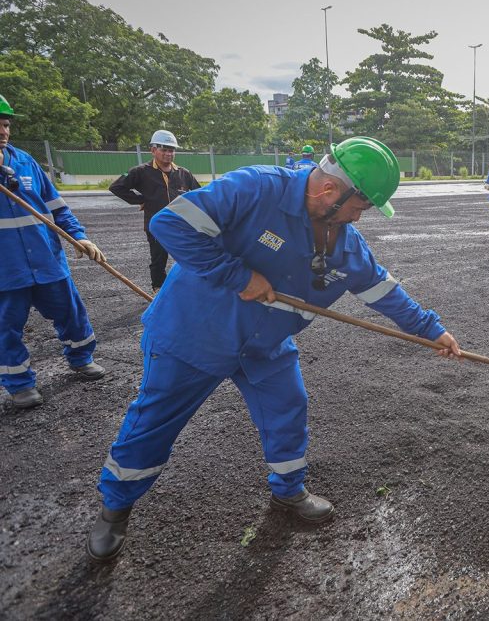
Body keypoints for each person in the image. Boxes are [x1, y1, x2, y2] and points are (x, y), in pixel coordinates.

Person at [87, 136, 462, 561]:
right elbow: (170, 224)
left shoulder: (345, 242)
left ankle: (288, 490)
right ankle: (114, 509)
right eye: (360, 207)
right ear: (329, 191)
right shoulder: (255, 188)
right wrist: (238, 276)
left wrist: (432, 331)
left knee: (288, 407)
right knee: (154, 422)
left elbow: (383, 290)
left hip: (264, 344)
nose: (360, 218)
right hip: (193, 334)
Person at [0, 93, 106, 409]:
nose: (3, 131)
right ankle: (19, 384)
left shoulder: (26, 163)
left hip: (47, 262)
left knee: (71, 313)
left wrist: (79, 236)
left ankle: (81, 357)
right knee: (5, 330)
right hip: (6, 272)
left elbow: (58, 208)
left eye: (5, 125)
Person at [109, 130, 202, 291]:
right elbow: (116, 187)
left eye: (171, 150)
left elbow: (198, 195)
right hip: (156, 225)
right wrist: (142, 200)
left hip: (181, 225)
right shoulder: (140, 171)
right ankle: (158, 288)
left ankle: (190, 288)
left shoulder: (184, 173)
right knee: (159, 258)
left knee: (189, 256)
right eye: (164, 149)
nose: (168, 153)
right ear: (153, 150)